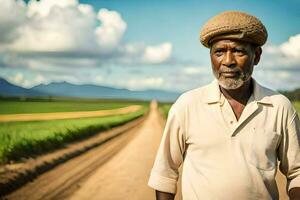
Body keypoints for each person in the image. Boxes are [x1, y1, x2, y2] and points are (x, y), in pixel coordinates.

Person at [148, 11, 300, 200]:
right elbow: (165, 174)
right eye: (219, 52)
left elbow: (297, 173)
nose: (228, 61)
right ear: (211, 56)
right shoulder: (187, 105)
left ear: (257, 56)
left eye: (238, 51)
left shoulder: (279, 107)